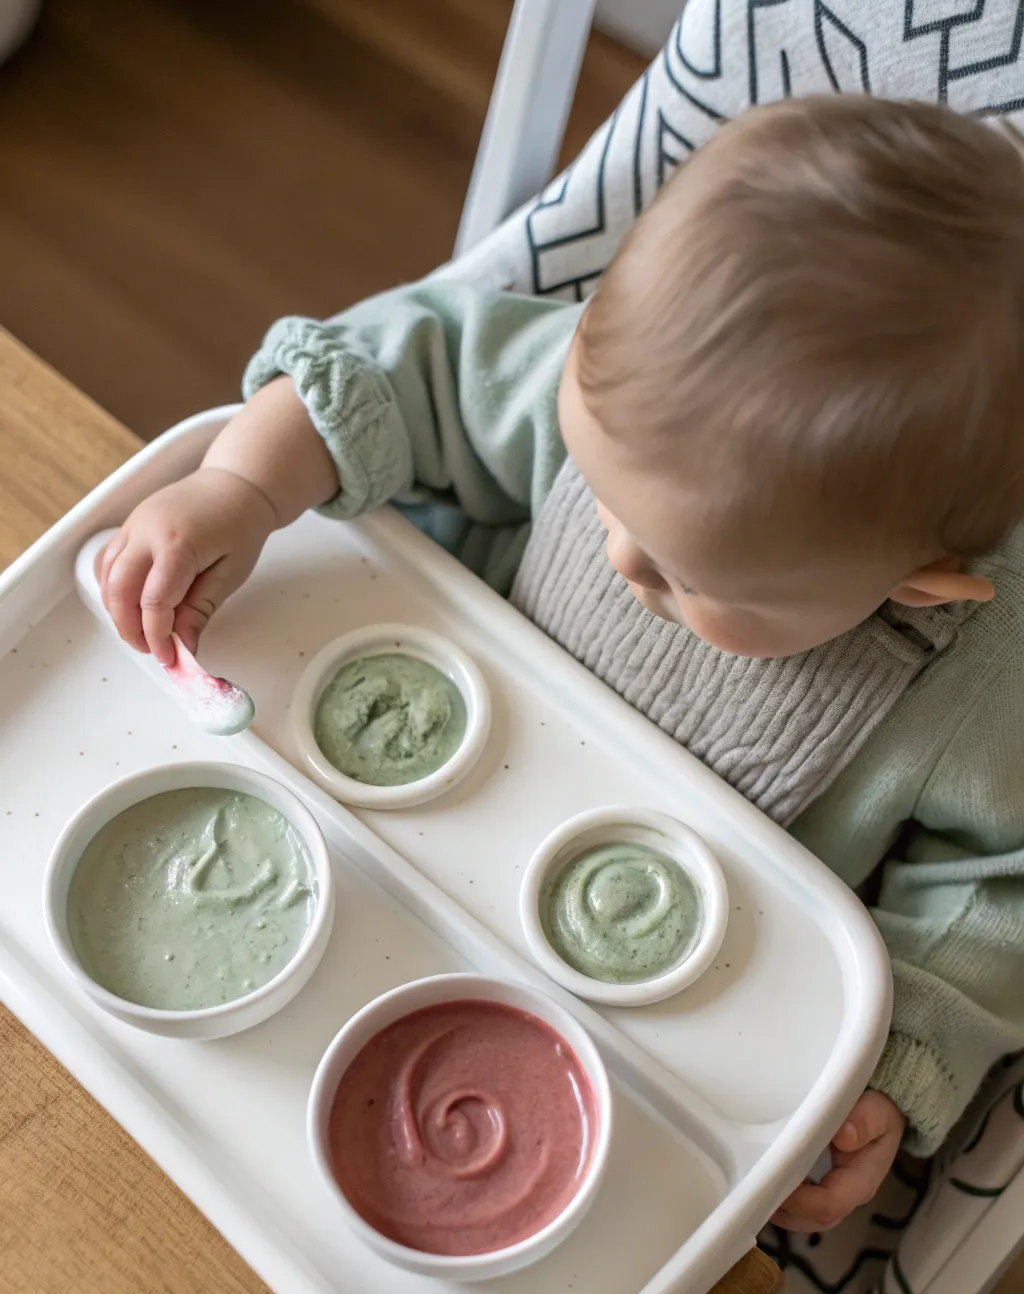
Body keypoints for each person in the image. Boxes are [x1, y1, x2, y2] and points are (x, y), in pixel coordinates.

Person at [98, 94, 1024, 1233]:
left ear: (918, 585)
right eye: (598, 487)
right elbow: (411, 370)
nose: (621, 553)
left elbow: (997, 897)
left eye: (694, 579)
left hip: (651, 1011)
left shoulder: (986, 684)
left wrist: (888, 1075)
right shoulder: (650, 401)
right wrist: (242, 484)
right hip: (392, 798)